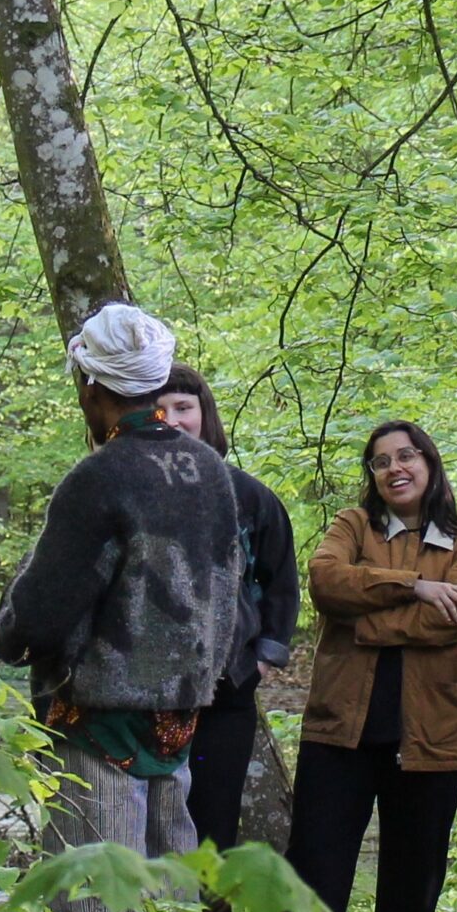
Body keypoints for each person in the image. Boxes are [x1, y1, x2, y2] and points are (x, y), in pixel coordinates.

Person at [0, 303, 241, 912]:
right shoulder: (212, 472)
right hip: (181, 718)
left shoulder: (98, 478)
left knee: (94, 901)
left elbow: (44, 604)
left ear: (93, 388)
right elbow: (228, 592)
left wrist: (9, 639)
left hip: (97, 717)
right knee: (173, 899)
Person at [266, 420, 457, 912]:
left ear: (429, 462)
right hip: (342, 728)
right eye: (380, 461)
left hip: (432, 734)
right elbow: (327, 581)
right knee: (315, 861)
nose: (395, 468)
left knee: (414, 871)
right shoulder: (352, 526)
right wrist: (415, 587)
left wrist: (367, 623)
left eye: (408, 455)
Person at [153, 364, 298, 856]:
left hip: (226, 690)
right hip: (145, 692)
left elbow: (280, 581)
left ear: (204, 414)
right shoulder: (127, 492)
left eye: (183, 408)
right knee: (149, 827)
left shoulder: (249, 497)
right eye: (160, 409)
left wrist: (261, 657)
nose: (172, 419)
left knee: (214, 827)